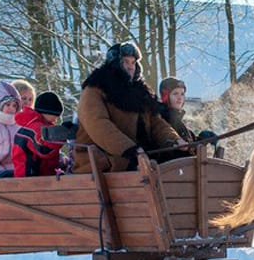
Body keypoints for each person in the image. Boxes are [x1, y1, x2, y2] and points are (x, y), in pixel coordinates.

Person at [73, 41, 185, 174]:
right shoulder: (94, 89)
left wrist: (174, 140)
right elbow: (98, 124)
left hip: (140, 157)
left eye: (133, 62)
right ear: (114, 63)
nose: (131, 67)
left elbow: (156, 123)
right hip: (104, 161)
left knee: (179, 163)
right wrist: (129, 149)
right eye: (126, 62)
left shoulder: (141, 92)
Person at [13, 91, 66, 177]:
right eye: (55, 116)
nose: (56, 120)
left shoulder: (41, 126)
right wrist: (63, 133)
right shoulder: (35, 128)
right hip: (29, 176)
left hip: (41, 175)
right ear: (47, 112)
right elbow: (44, 150)